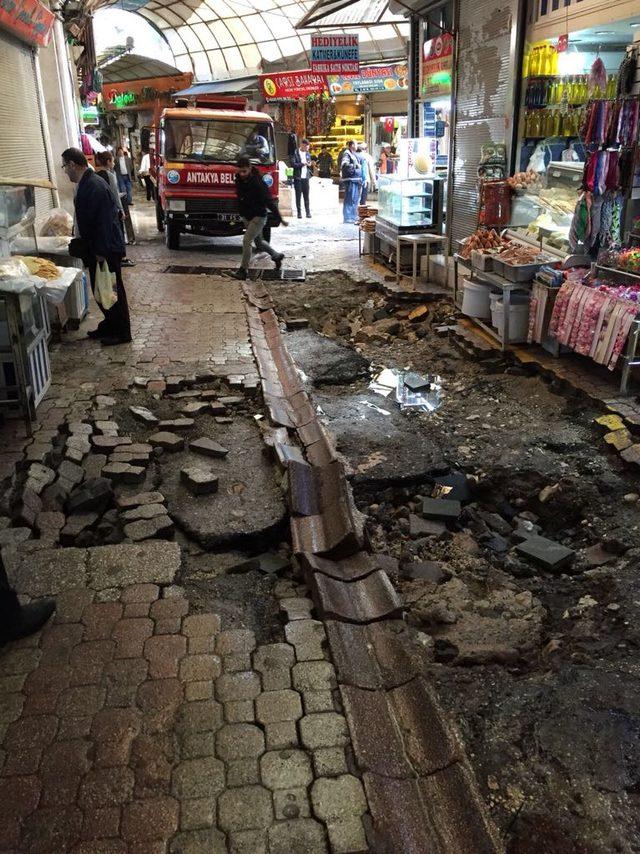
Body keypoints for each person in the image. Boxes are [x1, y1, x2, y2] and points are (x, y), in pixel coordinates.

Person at [62, 147, 132, 345]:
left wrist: (100, 252)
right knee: (101, 289)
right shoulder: (88, 183)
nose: (65, 171)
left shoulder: (94, 185)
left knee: (112, 291)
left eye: (65, 167)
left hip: (106, 249)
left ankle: (121, 332)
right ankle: (110, 325)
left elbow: (104, 221)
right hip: (99, 248)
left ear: (73, 164)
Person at [234, 155, 287, 280]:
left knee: (247, 241)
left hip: (259, 217)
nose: (242, 174)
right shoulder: (238, 179)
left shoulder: (258, 183)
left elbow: (269, 201)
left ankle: (243, 270)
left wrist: (279, 218)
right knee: (259, 243)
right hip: (247, 216)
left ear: (250, 168)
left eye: (244, 171)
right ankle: (276, 255)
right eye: (239, 171)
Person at [95, 151, 135, 267]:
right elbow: (115, 195)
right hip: (112, 211)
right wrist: (121, 210)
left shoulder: (96, 176)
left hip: (102, 212)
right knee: (118, 234)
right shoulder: (110, 176)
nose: (113, 163)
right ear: (108, 162)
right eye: (112, 161)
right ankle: (121, 258)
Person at [340, 140, 361, 225]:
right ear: (352, 145)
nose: (357, 146)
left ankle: (353, 216)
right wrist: (355, 167)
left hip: (355, 179)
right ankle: (348, 217)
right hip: (350, 180)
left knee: (354, 199)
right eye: (356, 144)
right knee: (350, 199)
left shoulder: (353, 154)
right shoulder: (347, 153)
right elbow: (345, 164)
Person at [292, 138, 312, 219]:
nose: (307, 149)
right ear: (302, 145)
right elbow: (293, 164)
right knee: (298, 196)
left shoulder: (308, 153)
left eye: (308, 147)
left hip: (306, 177)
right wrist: (302, 164)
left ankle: (308, 212)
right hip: (298, 177)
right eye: (306, 147)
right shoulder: (295, 153)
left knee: (306, 196)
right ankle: (299, 213)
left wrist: (309, 164)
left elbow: (309, 162)